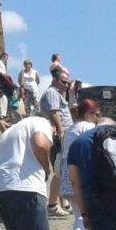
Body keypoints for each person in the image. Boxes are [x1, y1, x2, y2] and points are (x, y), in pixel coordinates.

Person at [61, 99, 99, 230]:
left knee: (79, 216)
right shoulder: (88, 128)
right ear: (90, 113)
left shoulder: (70, 129)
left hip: (67, 175)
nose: (97, 118)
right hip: (83, 174)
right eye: (96, 114)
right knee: (97, 214)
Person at [39, 68, 73, 217]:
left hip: (61, 135)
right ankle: (53, 204)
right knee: (60, 169)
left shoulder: (57, 93)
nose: (66, 85)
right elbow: (54, 112)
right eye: (63, 82)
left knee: (62, 169)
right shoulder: (52, 93)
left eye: (68, 83)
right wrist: (61, 131)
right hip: (59, 136)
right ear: (55, 80)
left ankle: (63, 202)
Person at [0, 52, 12, 122]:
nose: (7, 59)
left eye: (7, 58)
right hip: (0, 79)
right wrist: (1, 74)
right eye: (6, 58)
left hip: (3, 81)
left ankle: (4, 115)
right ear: (2, 57)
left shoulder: (3, 64)